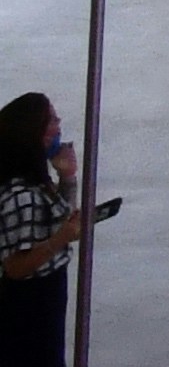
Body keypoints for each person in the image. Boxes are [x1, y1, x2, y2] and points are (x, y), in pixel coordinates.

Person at [0, 91, 91, 367]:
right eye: (51, 119)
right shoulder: (18, 194)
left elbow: (60, 218)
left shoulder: (36, 182)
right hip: (28, 303)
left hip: (48, 294)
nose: (58, 124)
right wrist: (60, 238)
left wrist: (68, 176)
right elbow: (15, 267)